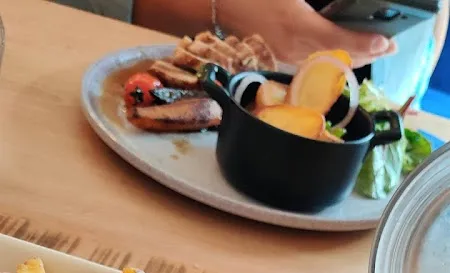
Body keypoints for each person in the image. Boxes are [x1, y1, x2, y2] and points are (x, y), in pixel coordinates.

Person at [57, 0, 448, 104]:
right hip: (100, 85)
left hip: (347, 201)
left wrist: (408, 77)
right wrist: (223, 10)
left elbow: (431, 17)